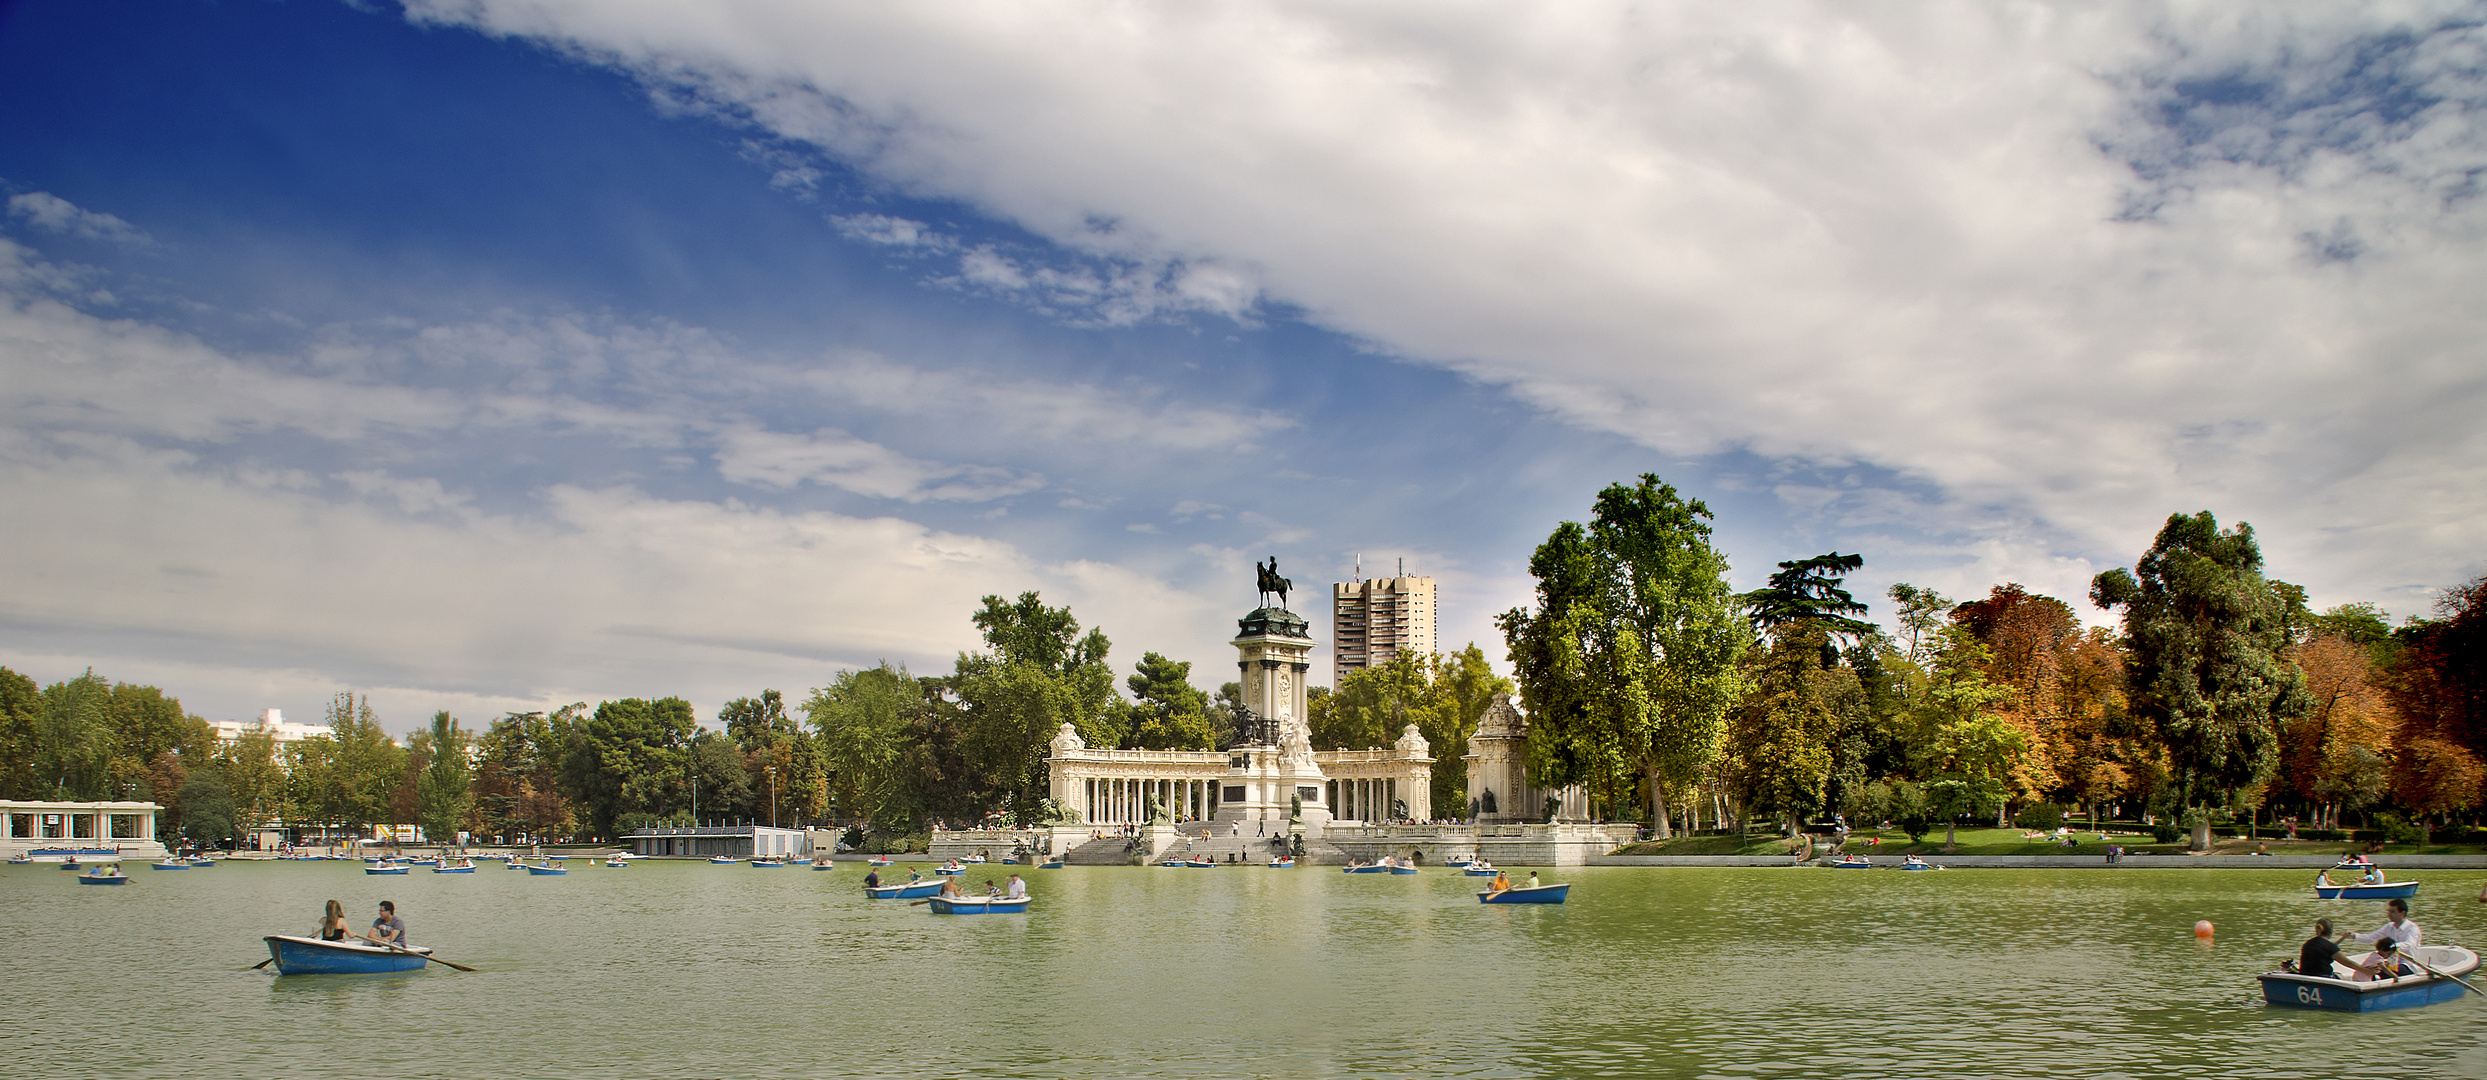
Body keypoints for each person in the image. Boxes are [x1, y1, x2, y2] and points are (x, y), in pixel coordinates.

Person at [2347, 898, 2423, 954]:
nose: (2389, 914)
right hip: (2390, 963)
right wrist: (2354, 936)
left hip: (2407, 964)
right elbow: (2371, 938)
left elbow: (2409, 945)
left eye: (2393, 911)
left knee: (2379, 973)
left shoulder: (2412, 928)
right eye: (2388, 911)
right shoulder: (2389, 927)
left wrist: (2392, 946)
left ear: (2402, 913)